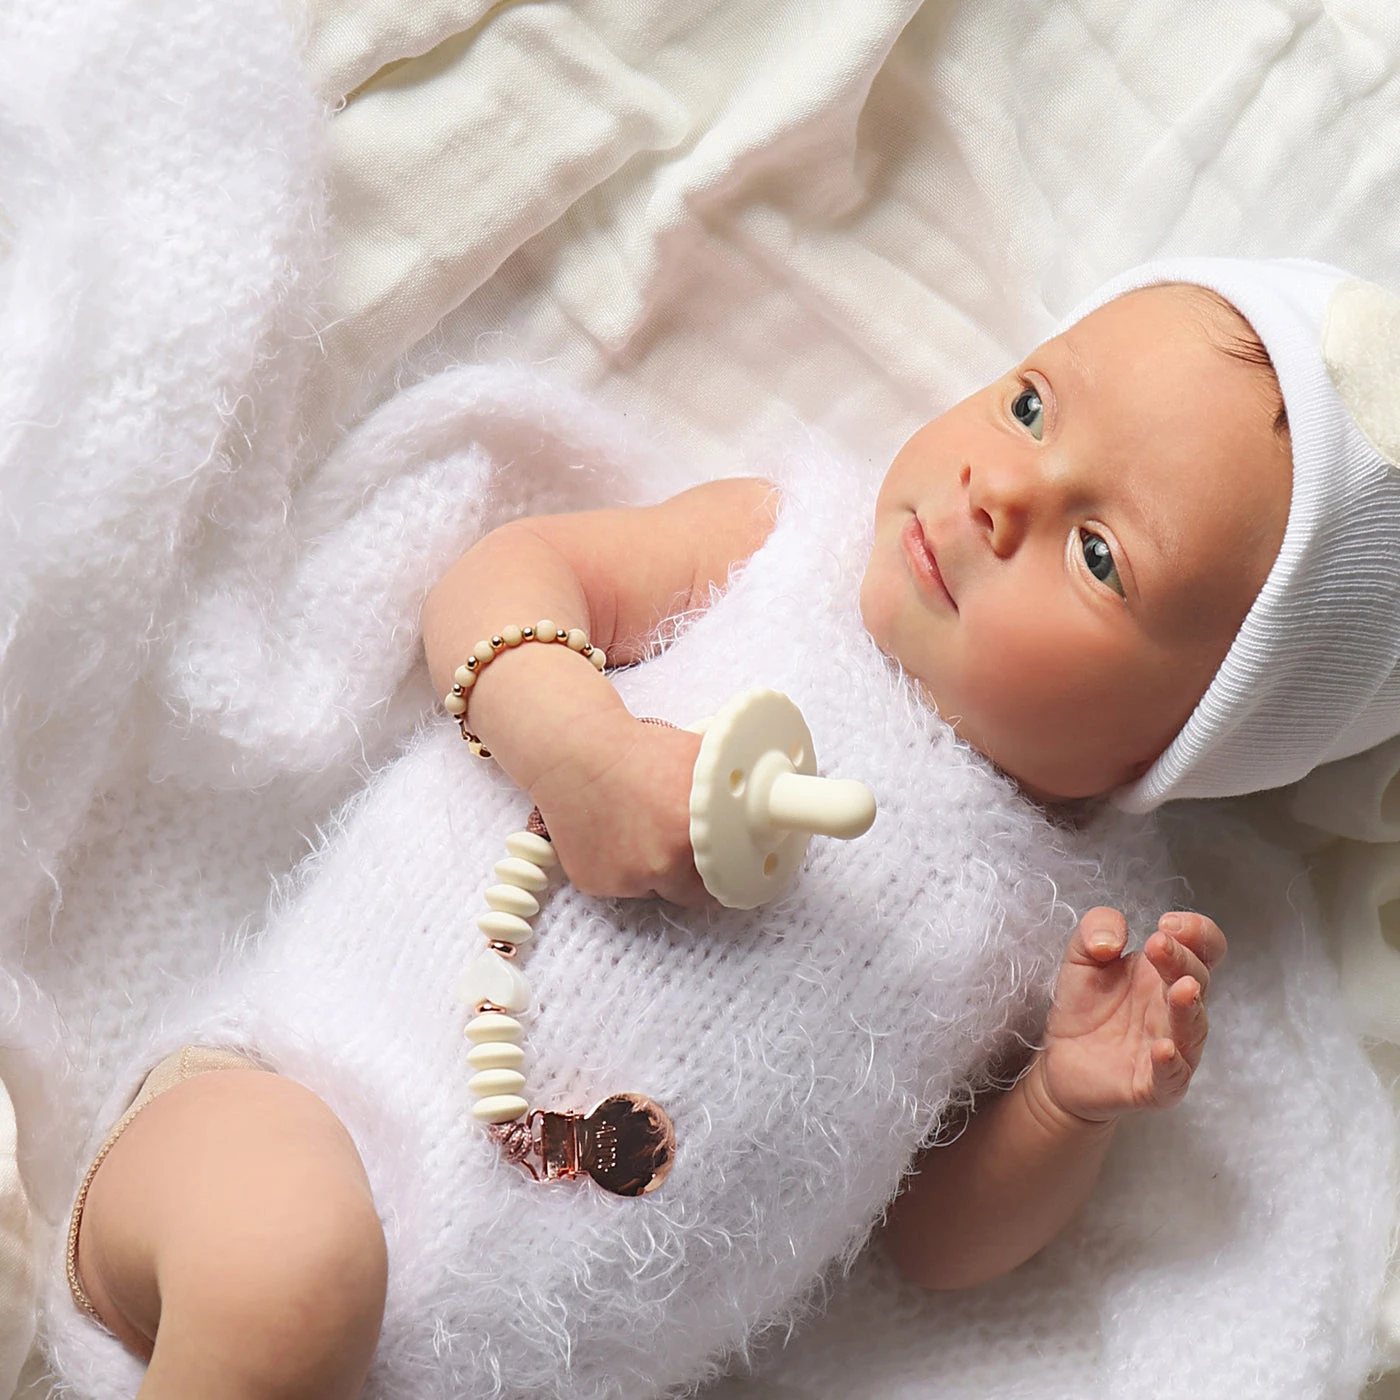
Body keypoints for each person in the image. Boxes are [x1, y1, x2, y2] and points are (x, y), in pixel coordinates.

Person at [61, 257, 1400, 1399]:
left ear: (1179, 741)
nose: (1004, 489)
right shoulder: (782, 553)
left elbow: (935, 1250)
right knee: (296, 1269)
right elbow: (506, 579)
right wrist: (573, 745)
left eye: (1101, 554)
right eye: (1032, 405)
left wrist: (1062, 1103)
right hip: (275, 1133)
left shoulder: (1067, 926)